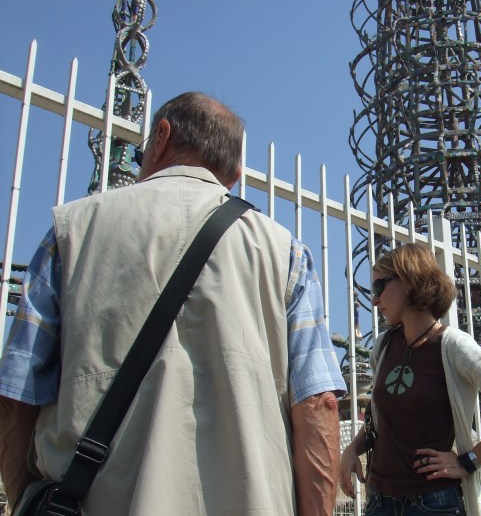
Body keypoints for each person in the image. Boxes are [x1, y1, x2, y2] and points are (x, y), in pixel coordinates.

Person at [0, 92, 346, 515]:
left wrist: (23, 501)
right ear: (235, 174)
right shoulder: (285, 252)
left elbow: (16, 394)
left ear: (160, 136)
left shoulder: (70, 231)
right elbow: (318, 404)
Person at [339, 243, 481, 516]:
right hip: (380, 501)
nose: (375, 300)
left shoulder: (453, 346)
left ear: (408, 281)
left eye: (379, 288)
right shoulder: (383, 347)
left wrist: (469, 461)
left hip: (433, 503)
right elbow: (378, 421)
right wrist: (351, 450)